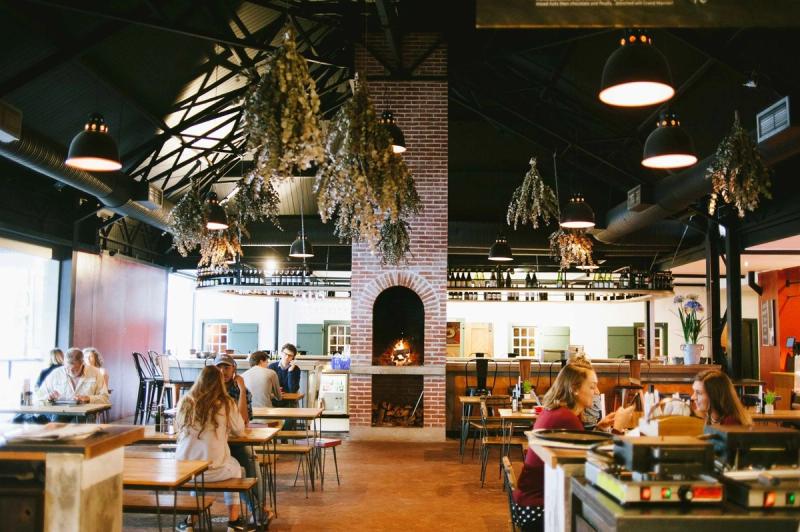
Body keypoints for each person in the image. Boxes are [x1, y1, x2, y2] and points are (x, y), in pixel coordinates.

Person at [512, 363, 621, 531]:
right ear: (574, 389)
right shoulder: (566, 419)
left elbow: (582, 452)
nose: (597, 392)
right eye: (592, 386)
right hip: (540, 508)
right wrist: (618, 429)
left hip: (528, 502)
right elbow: (591, 467)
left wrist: (600, 428)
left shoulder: (557, 412)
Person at [175, 366, 246, 531]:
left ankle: (190, 521)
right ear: (220, 382)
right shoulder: (226, 403)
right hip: (214, 471)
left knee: (198, 472)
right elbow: (240, 430)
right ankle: (234, 521)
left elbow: (178, 427)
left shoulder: (186, 401)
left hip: (184, 471)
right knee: (236, 467)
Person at [214, 353, 265, 522]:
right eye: (219, 367)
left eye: (226, 367)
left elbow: (243, 421)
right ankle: (258, 511)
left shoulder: (240, 390)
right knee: (242, 466)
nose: (223, 371)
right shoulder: (209, 390)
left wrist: (242, 390)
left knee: (250, 460)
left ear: (234, 369)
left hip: (235, 440)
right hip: (214, 443)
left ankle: (258, 510)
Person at [35, 347, 109, 404]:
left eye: (74, 369)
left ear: (82, 364)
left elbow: (105, 398)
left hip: (85, 414)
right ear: (64, 363)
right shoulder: (56, 373)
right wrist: (48, 398)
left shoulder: (95, 373)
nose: (70, 372)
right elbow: (39, 397)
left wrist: (88, 398)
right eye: (67, 368)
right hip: (60, 413)